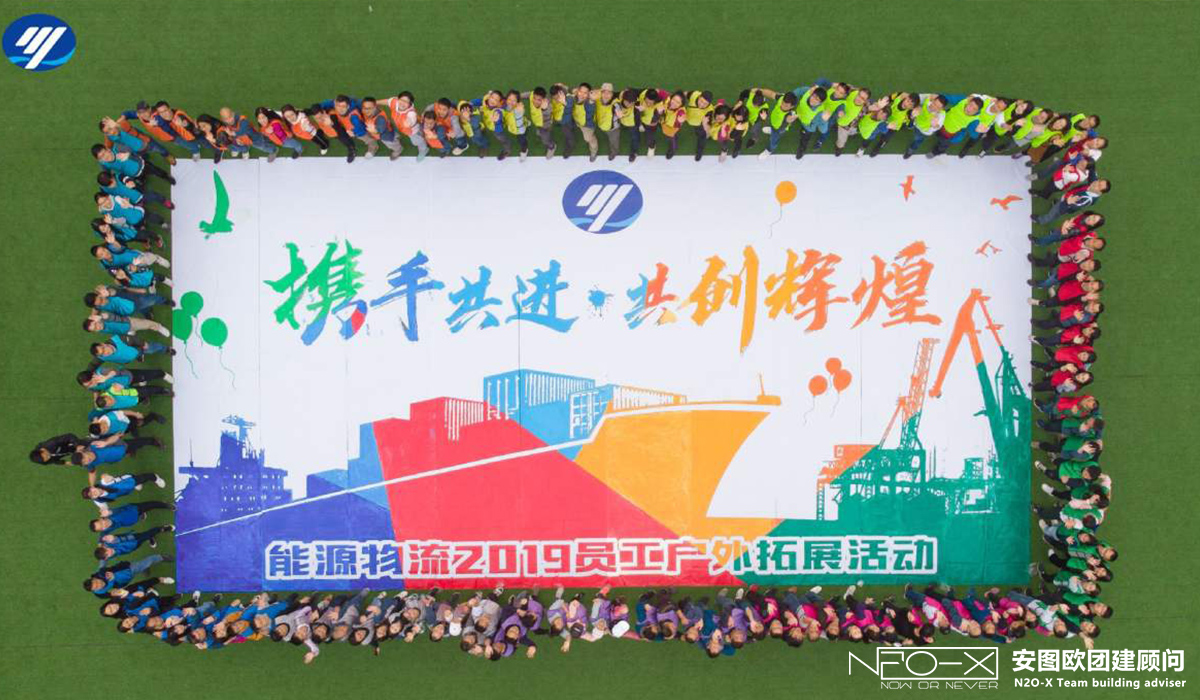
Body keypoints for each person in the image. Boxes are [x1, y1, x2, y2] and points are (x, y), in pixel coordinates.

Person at [73, 437, 163, 484]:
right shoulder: (88, 464)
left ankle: (153, 441)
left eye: (84, 458)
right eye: (84, 462)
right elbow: (92, 473)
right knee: (132, 449)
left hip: (122, 446)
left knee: (138, 443)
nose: (87, 460)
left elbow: (111, 439)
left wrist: (110, 442)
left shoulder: (95, 445)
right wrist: (92, 486)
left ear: (83, 452)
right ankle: (131, 451)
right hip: (117, 456)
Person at [1035, 179, 1111, 224]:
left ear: (1100, 192)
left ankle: (1041, 220)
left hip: (1064, 206)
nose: (1096, 183)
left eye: (1099, 186)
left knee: (1053, 213)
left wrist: (1068, 202)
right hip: (1066, 199)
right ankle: (1056, 206)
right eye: (1099, 181)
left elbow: (1076, 206)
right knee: (1056, 212)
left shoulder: (1088, 199)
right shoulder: (1091, 187)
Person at [92, 146, 175, 185]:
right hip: (133, 175)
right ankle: (142, 179)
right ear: (99, 159)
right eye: (101, 157)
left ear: (108, 149)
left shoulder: (118, 149)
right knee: (141, 179)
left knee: (157, 172)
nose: (105, 157)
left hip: (142, 165)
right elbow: (107, 173)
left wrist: (128, 154)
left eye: (104, 153)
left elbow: (132, 149)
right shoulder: (104, 164)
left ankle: (166, 176)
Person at [89, 501, 174, 535]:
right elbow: (102, 535)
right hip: (133, 519)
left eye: (101, 523)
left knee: (152, 505)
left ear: (101, 519)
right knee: (140, 517)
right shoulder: (108, 529)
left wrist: (110, 512)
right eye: (102, 527)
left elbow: (118, 510)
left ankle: (165, 505)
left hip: (134, 509)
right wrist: (100, 544)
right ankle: (141, 515)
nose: (104, 525)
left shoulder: (109, 514)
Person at [95, 525, 172, 562]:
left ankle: (162, 528)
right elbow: (102, 564)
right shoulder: (108, 557)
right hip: (133, 546)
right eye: (107, 555)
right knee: (144, 537)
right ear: (106, 558)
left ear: (105, 547)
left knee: (146, 534)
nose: (109, 552)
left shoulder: (109, 542)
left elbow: (103, 534)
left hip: (132, 538)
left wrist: (100, 541)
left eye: (107, 550)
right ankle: (149, 537)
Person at [904, 94, 947, 158]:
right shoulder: (927, 100)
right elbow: (917, 98)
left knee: (917, 140)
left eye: (938, 107)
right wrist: (918, 106)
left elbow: (938, 126)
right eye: (934, 104)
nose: (934, 107)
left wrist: (934, 125)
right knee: (911, 127)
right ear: (933, 100)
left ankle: (911, 150)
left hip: (923, 132)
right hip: (916, 123)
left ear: (941, 109)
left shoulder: (941, 116)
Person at [83, 472, 165, 504]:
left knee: (143, 478)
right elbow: (103, 507)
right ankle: (135, 484)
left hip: (127, 481)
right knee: (137, 486)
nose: (93, 493)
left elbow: (104, 476)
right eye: (91, 495)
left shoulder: (104, 483)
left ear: (92, 487)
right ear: (93, 498)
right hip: (124, 491)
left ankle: (155, 477)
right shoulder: (99, 500)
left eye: (91, 491)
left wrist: (107, 476)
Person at [90, 334, 172, 364]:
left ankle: (165, 349)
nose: (106, 353)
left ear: (103, 344)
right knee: (137, 354)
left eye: (104, 350)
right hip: (133, 354)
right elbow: (93, 364)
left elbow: (133, 340)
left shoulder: (118, 339)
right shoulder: (102, 356)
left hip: (139, 348)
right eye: (102, 354)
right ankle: (139, 356)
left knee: (151, 349)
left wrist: (143, 343)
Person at [684, 89, 715, 161]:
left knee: (702, 137)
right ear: (699, 96)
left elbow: (708, 128)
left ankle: (699, 151)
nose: (701, 105)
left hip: (700, 125)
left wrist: (705, 125)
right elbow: (686, 93)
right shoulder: (694, 94)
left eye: (705, 104)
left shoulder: (709, 111)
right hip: (690, 120)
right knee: (697, 131)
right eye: (701, 101)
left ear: (709, 104)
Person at [501, 90, 530, 161]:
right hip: (513, 127)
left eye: (514, 100)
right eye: (509, 99)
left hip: (520, 130)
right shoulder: (505, 106)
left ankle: (524, 151)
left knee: (522, 141)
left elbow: (521, 129)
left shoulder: (519, 110)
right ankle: (528, 123)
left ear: (518, 102)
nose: (511, 102)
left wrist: (518, 113)